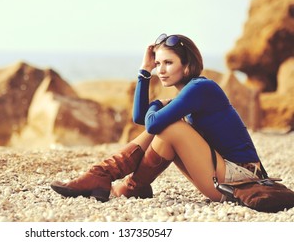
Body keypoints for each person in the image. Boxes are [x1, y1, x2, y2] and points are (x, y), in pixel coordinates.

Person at [50, 33, 264, 203]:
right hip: (220, 178)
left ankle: (115, 181)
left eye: (168, 63)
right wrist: (144, 71)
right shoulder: (189, 95)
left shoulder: (202, 88)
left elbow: (152, 123)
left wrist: (156, 104)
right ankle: (109, 178)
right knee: (168, 126)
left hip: (240, 179)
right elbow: (140, 118)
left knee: (171, 128)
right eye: (157, 64)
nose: (160, 70)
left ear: (187, 65)